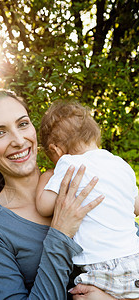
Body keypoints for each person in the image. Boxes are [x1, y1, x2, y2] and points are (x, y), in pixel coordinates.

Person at [36, 100, 139, 299]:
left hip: (100, 267)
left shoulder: (68, 163)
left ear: (56, 150)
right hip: (135, 259)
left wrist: (46, 177)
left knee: (78, 295)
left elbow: (43, 206)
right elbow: (136, 206)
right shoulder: (119, 164)